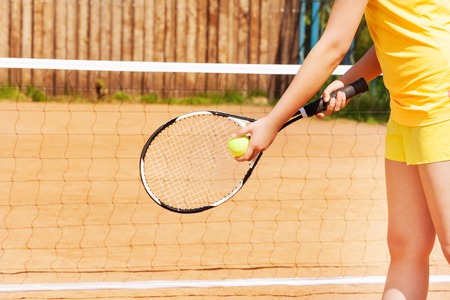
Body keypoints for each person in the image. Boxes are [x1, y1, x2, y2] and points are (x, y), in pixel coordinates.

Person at [234, 0, 450, 298]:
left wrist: (273, 121)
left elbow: (333, 45)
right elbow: (401, 34)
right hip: (407, 109)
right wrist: (347, 80)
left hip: (441, 104)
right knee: (406, 246)